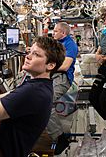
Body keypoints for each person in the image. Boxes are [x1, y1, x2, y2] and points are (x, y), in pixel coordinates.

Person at [48, 22, 78, 155]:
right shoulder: (56, 44)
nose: (53, 33)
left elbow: (65, 66)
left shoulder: (70, 45)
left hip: (62, 77)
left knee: (46, 103)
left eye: (55, 31)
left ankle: (60, 138)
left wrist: (46, 68)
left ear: (63, 33)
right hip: (52, 75)